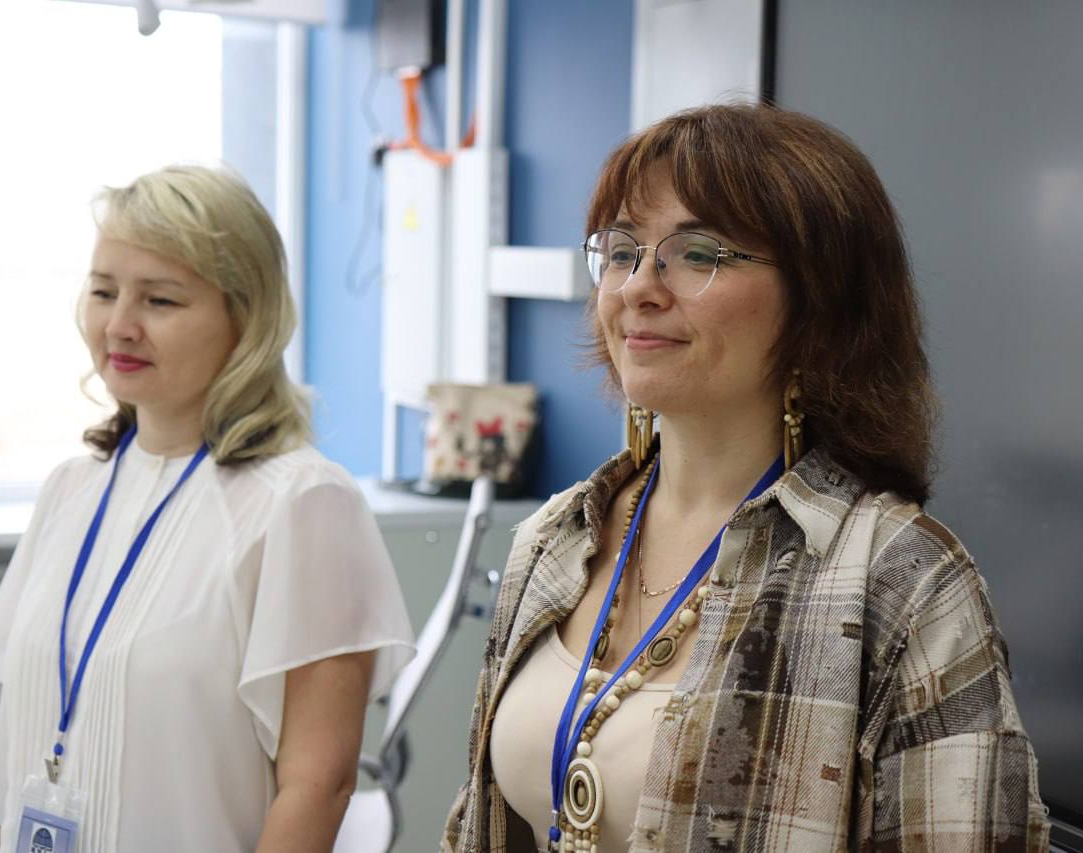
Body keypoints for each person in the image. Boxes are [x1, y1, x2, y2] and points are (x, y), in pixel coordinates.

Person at [443, 105, 1049, 852]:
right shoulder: (557, 537)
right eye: (623, 250)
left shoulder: (903, 579)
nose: (638, 287)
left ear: (818, 303)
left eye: (699, 253)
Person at [0, 165, 414, 853]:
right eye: (104, 292)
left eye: (160, 300)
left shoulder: (303, 504)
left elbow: (317, 785)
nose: (120, 325)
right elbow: (15, 732)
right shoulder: (71, 489)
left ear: (246, 318)